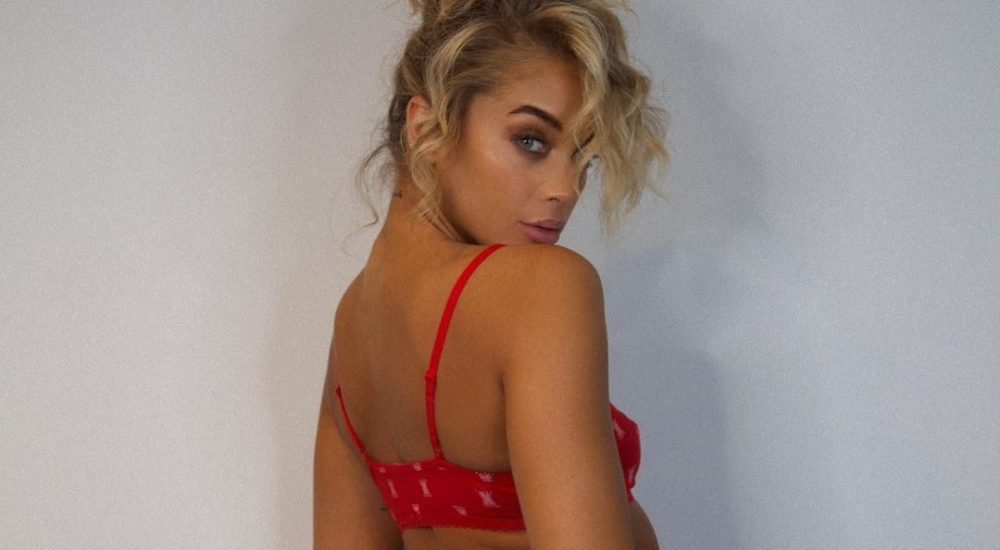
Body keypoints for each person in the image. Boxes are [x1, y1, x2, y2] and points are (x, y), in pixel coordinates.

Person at [314, 1, 667, 548]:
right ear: (425, 126)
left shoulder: (353, 323)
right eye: (531, 140)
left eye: (584, 157)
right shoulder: (544, 287)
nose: (566, 189)